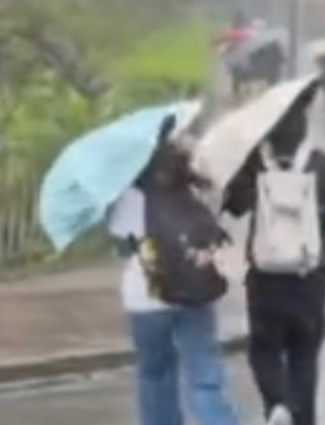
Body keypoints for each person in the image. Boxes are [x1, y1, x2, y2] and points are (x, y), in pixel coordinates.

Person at [222, 85, 325, 425]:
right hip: (311, 274)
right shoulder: (319, 162)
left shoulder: (254, 163)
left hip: (265, 274)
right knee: (305, 355)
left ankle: (277, 404)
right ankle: (303, 417)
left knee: (264, 349)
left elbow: (233, 207)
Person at [109, 123, 242, 425]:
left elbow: (121, 246)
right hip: (196, 290)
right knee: (204, 374)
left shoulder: (132, 196)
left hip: (146, 296)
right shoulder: (198, 188)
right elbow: (214, 226)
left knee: (155, 374)